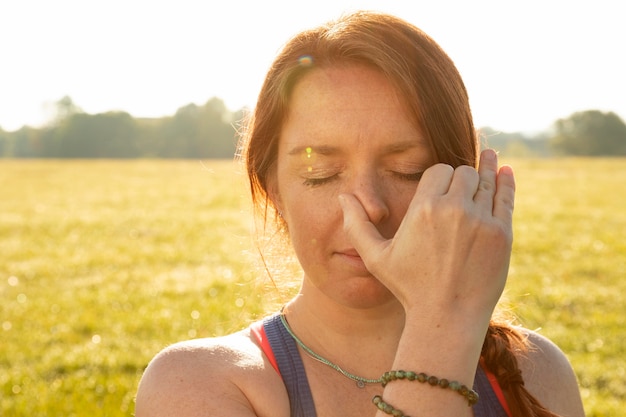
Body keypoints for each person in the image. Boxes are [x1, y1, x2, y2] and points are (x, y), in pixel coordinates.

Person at [136, 11, 585, 417]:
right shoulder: (198, 384)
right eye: (321, 174)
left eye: (407, 171)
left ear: (461, 186)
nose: (369, 205)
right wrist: (440, 335)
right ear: (273, 189)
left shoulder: (537, 373)